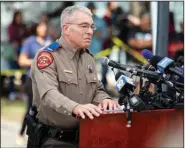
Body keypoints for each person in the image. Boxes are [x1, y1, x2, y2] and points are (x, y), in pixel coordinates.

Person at [28, 5, 120, 148]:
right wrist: (75, 107)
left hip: (86, 136)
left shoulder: (88, 57)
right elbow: (49, 94)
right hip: (54, 140)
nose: (90, 32)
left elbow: (96, 90)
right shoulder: (47, 56)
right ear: (66, 29)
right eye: (84, 26)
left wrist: (106, 100)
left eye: (92, 26)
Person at [17, 22, 52, 145]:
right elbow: (21, 60)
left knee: (45, 109)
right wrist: (38, 61)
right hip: (32, 80)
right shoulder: (30, 42)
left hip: (47, 80)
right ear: (36, 28)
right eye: (41, 27)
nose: (44, 29)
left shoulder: (49, 41)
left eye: (45, 26)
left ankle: (40, 136)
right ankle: (22, 133)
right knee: (32, 109)